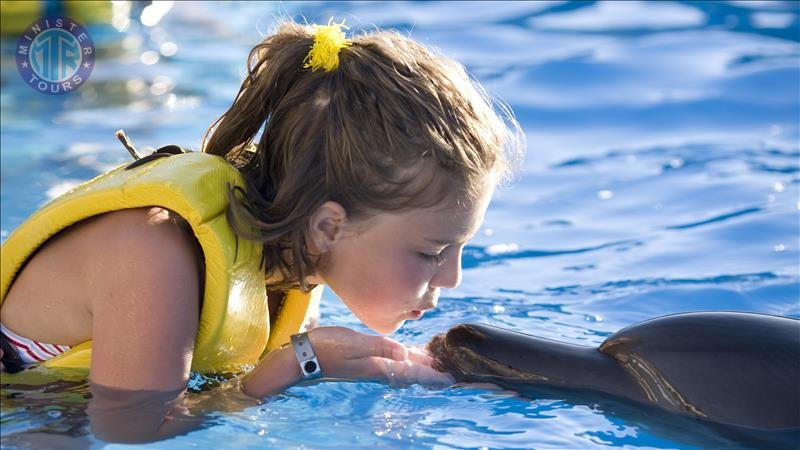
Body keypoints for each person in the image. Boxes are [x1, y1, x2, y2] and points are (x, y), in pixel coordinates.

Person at [0, 18, 523, 442]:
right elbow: (127, 428)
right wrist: (303, 363)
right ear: (328, 226)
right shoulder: (152, 252)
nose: (452, 277)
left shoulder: (297, 261)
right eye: (433, 252)